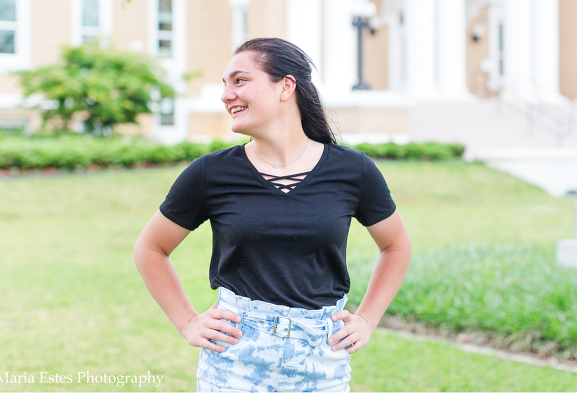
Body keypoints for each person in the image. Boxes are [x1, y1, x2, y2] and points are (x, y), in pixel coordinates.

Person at [133, 37, 412, 392]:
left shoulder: (353, 170)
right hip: (235, 360)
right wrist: (188, 321)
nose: (225, 95)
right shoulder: (211, 173)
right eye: (225, 84)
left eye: (240, 80)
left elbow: (396, 245)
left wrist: (368, 320)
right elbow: (150, 248)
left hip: (321, 361)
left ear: (285, 86)